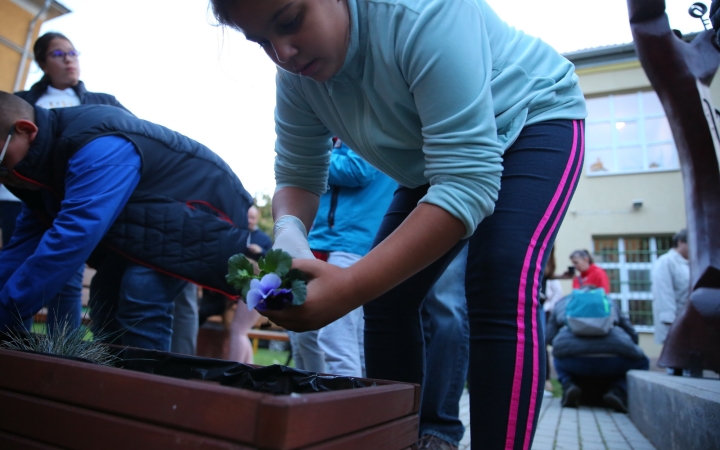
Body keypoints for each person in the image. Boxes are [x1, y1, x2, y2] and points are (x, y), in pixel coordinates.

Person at [210, 1, 586, 448]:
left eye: (290, 21)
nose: (283, 53)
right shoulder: (296, 76)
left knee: (499, 277)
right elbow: (297, 175)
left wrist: (348, 289)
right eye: (262, 42)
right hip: (433, 164)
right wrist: (291, 238)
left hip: (532, 118)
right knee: (387, 300)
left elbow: (467, 181)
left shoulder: (425, 12)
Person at [0, 92, 253, 352]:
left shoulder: (96, 145)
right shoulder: (35, 172)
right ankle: (111, 386)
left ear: (25, 130)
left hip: (203, 207)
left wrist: (7, 310)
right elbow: (21, 248)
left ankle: (147, 388)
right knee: (103, 297)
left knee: (141, 290)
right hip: (147, 221)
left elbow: (74, 235)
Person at [4, 32, 129, 335]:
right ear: (42, 63)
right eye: (58, 54)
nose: (69, 59)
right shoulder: (22, 102)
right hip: (21, 201)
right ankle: (13, 341)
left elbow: (131, 145)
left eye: (73, 52)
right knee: (18, 265)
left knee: (68, 270)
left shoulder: (101, 103)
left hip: (71, 199)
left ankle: (62, 346)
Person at [297, 139, 397, 376]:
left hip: (352, 239)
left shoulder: (363, 117)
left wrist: (306, 154)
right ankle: (363, 408)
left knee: (335, 336)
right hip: (341, 238)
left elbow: (358, 170)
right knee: (355, 341)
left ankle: (349, 410)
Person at [546, 292, 649, 413]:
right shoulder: (609, 300)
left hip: (573, 361)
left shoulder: (563, 302)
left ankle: (568, 385)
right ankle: (618, 390)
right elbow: (631, 333)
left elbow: (549, 337)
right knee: (643, 361)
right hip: (614, 360)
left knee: (558, 356)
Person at [651, 229, 690, 346]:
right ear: (680, 242)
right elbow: (664, 295)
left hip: (691, 324)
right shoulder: (666, 262)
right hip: (675, 327)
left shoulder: (693, 262)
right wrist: (672, 324)